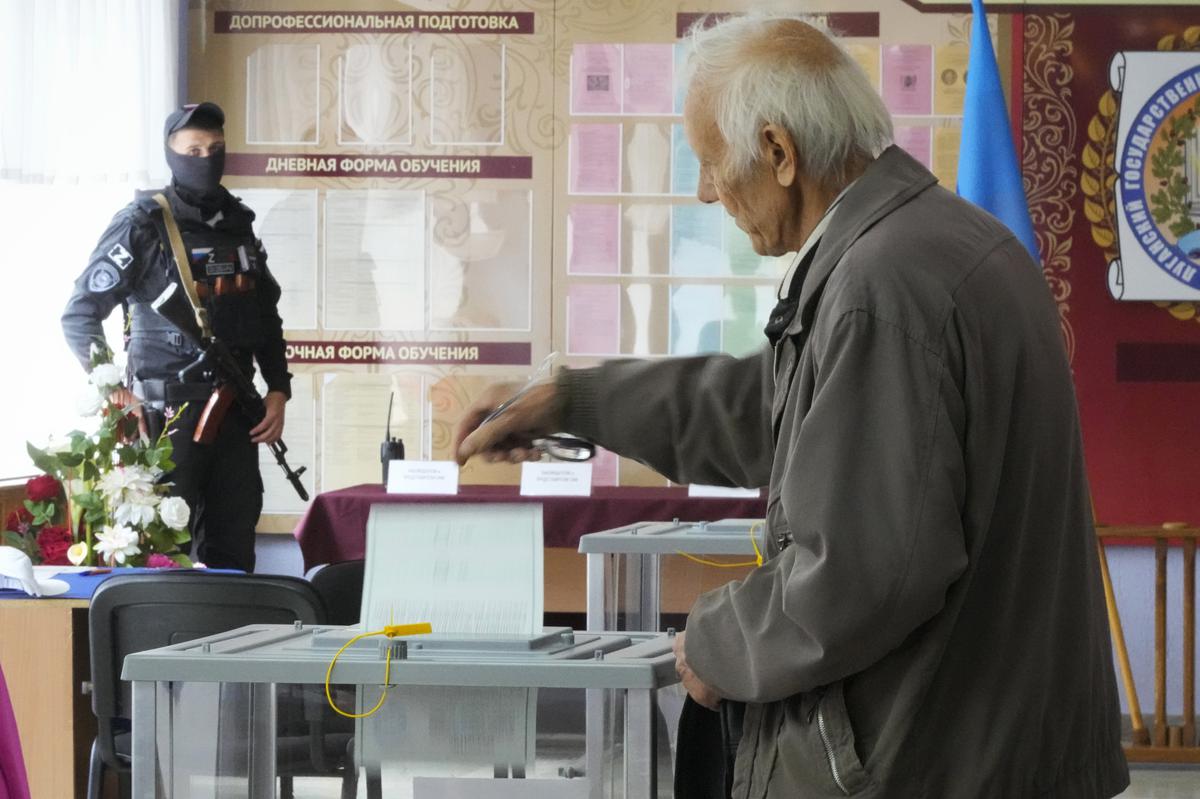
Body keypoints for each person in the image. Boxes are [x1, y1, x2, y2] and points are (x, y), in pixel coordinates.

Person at [455, 13, 1128, 799]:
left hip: (934, 758)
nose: (705, 190)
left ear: (778, 152)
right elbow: (763, 406)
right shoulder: (934, 244)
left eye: (710, 162)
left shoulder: (883, 288)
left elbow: (865, 574)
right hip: (988, 747)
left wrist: (716, 641)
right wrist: (572, 398)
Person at [62, 102, 290, 572]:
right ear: (172, 156)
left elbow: (264, 315)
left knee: (234, 547)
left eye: (215, 149)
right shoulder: (142, 223)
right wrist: (114, 392)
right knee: (163, 555)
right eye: (193, 150)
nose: (205, 158)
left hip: (237, 414)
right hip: (167, 420)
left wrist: (279, 389)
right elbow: (80, 315)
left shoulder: (238, 223)